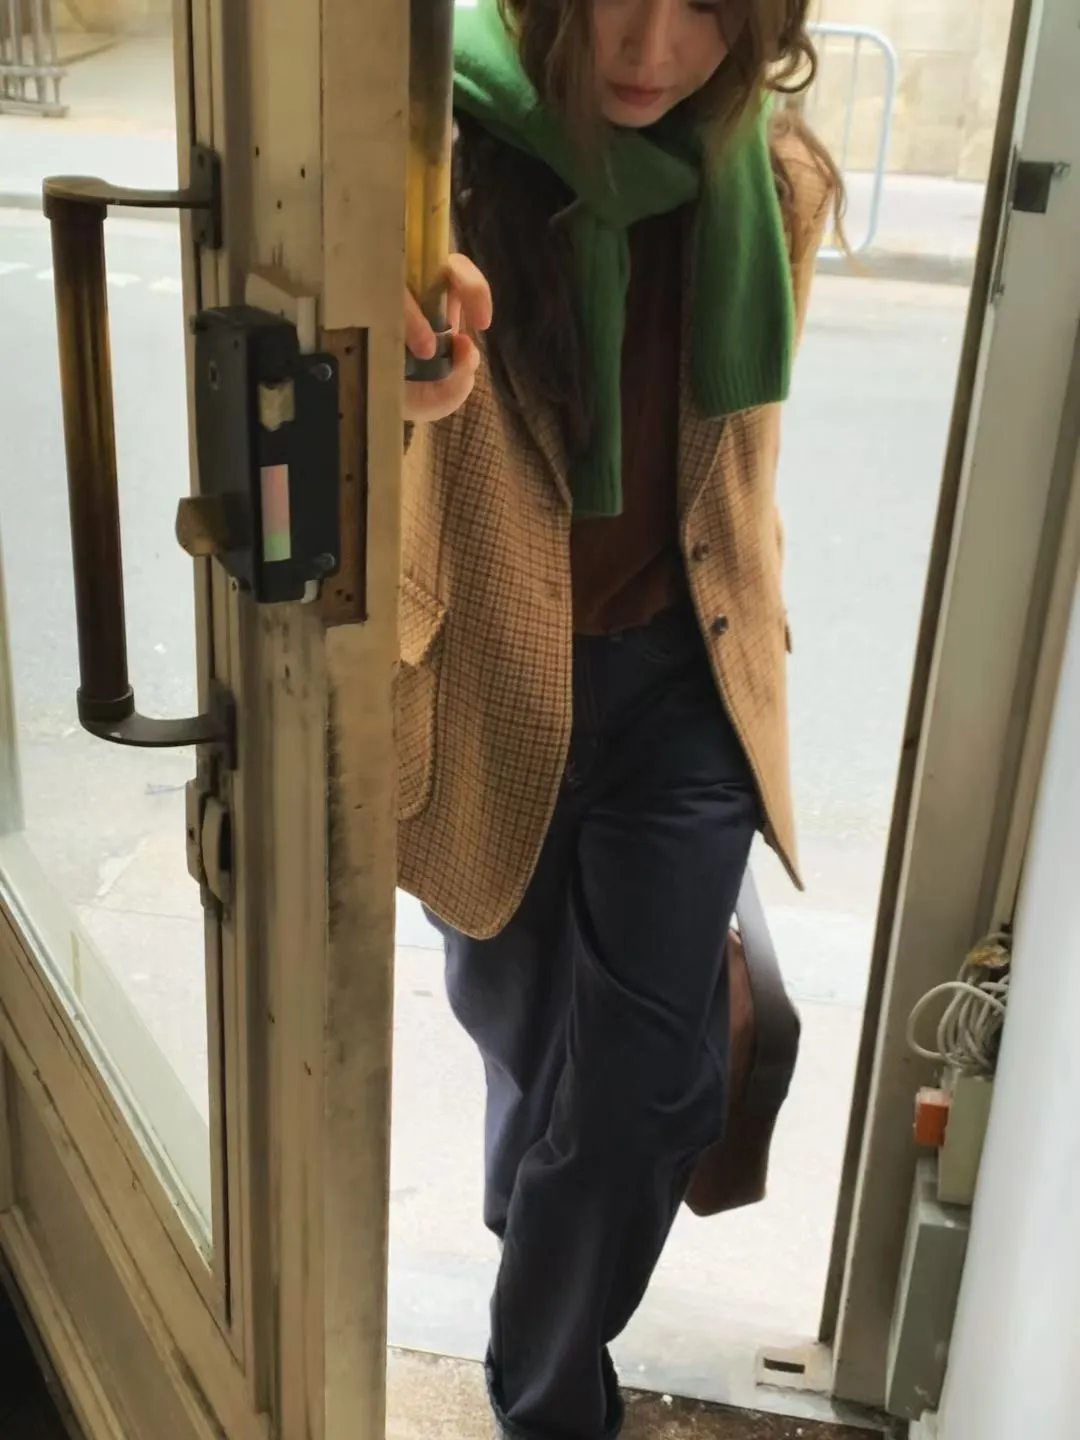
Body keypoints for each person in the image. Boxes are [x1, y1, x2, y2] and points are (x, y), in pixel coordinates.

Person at [398, 2, 841, 1437]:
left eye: (705, 6)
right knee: (538, 1062)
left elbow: (737, 459)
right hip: (492, 680)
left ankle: (547, 1400)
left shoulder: (775, 185)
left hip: (685, 684)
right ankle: (550, 1271)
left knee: (651, 1086)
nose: (651, 48)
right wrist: (395, 381)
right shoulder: (431, 167)